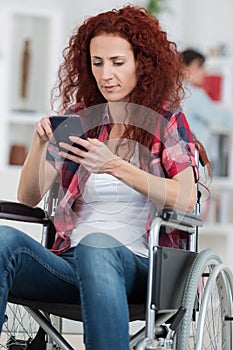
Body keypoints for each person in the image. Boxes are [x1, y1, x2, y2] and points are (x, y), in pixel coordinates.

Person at [0, 6, 208, 350]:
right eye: (98, 63)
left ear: (141, 63)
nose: (106, 74)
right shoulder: (80, 121)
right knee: (5, 240)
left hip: (142, 269)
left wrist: (115, 166)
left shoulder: (165, 120)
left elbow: (185, 198)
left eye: (117, 62)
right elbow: (27, 197)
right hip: (70, 265)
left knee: (98, 245)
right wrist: (38, 146)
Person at [181, 49, 233, 150]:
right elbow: (221, 118)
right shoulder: (192, 94)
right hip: (192, 158)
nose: (204, 72)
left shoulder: (172, 92)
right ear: (184, 68)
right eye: (200, 66)